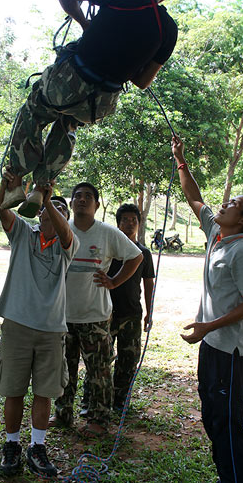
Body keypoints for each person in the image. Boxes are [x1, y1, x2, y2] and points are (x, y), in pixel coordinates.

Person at [0, 0, 184, 218]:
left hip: (68, 83)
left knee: (35, 108)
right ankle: (41, 187)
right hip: (100, 103)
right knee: (68, 123)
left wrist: (86, 24)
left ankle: (16, 179)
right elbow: (143, 81)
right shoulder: (168, 29)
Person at [171, 134, 243, 483]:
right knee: (213, 419)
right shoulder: (217, 235)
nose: (226, 204)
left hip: (230, 353)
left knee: (228, 427)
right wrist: (181, 159)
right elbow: (194, 198)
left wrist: (210, 323)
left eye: (235, 205)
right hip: (210, 346)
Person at [0, 176, 79, 477]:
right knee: (13, 390)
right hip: (17, 325)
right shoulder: (23, 234)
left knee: (44, 392)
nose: (53, 211)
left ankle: (38, 447)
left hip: (51, 330)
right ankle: (12, 446)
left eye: (60, 210)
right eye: (47, 208)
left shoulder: (69, 244)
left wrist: (48, 199)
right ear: (38, 212)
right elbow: (0, 209)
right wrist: (9, 186)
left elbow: (65, 230)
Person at [51, 183, 143, 437]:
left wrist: (114, 281)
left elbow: (136, 257)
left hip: (96, 317)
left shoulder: (107, 232)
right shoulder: (62, 230)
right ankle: (63, 413)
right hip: (63, 316)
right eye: (77, 196)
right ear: (71, 204)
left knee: (99, 371)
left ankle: (99, 419)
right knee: (64, 369)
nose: (82, 200)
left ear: (97, 205)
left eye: (88, 197)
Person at [108, 203, 155, 413]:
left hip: (132, 314)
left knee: (128, 360)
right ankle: (94, 400)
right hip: (105, 313)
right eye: (125, 220)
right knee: (101, 360)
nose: (129, 224)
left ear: (139, 223)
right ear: (118, 224)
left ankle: (120, 400)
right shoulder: (108, 251)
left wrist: (149, 312)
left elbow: (148, 284)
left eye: (133, 220)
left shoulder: (143, 253)